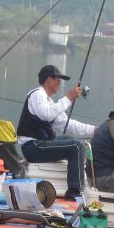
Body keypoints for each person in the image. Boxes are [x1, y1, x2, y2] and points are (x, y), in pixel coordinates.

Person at [16, 64, 92, 200]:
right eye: (58, 79)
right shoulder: (37, 94)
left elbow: (68, 125)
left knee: (74, 142)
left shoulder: (49, 101)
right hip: (32, 147)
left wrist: (96, 130)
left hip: (40, 144)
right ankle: (74, 191)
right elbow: (46, 114)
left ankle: (76, 183)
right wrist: (68, 97)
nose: (60, 83)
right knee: (76, 146)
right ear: (49, 80)